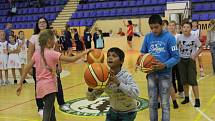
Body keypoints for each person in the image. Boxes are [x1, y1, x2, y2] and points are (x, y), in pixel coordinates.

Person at [17, 29, 91, 121]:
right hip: (50, 87)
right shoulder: (52, 53)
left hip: (40, 87)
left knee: (51, 111)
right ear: (49, 41)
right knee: (47, 111)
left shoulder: (37, 53)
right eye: (54, 39)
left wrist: (20, 83)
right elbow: (72, 59)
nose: (56, 41)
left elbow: (27, 67)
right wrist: (85, 52)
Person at [28, 17, 71, 117]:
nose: (42, 23)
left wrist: (59, 65)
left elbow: (57, 51)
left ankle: (62, 103)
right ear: (37, 25)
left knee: (58, 85)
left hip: (52, 66)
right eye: (40, 22)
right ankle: (40, 107)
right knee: (38, 87)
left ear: (47, 24)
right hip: (38, 67)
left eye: (44, 22)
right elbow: (29, 53)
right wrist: (30, 67)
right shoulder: (34, 37)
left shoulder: (52, 36)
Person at [140, 14, 180, 121]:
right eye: (151, 28)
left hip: (165, 75)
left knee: (165, 104)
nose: (154, 30)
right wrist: (141, 62)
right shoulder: (148, 37)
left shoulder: (170, 37)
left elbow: (176, 57)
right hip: (151, 75)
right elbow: (143, 53)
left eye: (156, 27)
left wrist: (164, 65)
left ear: (162, 25)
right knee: (152, 103)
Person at [86, 47, 139, 121]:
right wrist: (90, 88)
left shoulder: (126, 76)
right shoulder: (104, 77)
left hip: (128, 113)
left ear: (121, 61)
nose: (110, 57)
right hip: (112, 112)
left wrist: (118, 83)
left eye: (114, 56)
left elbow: (136, 93)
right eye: (108, 55)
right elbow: (91, 98)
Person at [177, 21, 203, 107]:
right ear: (181, 28)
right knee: (184, 81)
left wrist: (195, 55)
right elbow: (176, 47)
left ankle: (197, 99)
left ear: (191, 29)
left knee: (193, 80)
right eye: (184, 27)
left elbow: (201, 47)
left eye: (188, 27)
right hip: (181, 61)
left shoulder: (194, 38)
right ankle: (186, 97)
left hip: (190, 61)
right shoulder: (179, 38)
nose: (186, 29)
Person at [168, 20, 184, 99]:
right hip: (169, 59)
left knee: (179, 76)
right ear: (168, 27)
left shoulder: (179, 36)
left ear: (175, 27)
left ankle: (181, 91)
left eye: (173, 25)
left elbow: (181, 47)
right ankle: (173, 92)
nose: (171, 27)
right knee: (171, 77)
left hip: (178, 59)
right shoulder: (166, 36)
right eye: (170, 25)